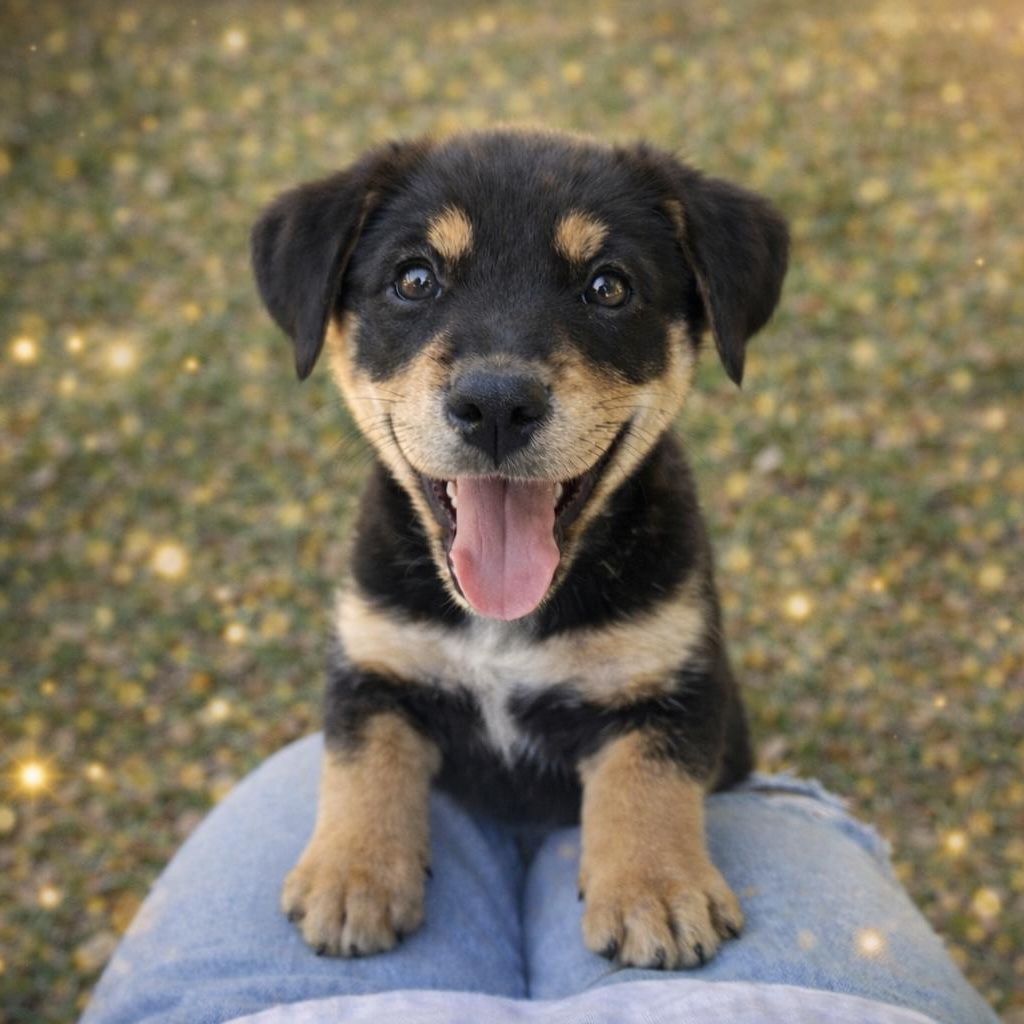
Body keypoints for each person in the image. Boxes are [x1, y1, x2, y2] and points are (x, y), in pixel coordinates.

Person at [80, 734, 998, 1024]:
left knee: (304, 769)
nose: (497, 371)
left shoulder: (650, 541)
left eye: (606, 288)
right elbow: (371, 683)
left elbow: (679, 693)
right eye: (412, 276)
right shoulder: (391, 551)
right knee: (767, 817)